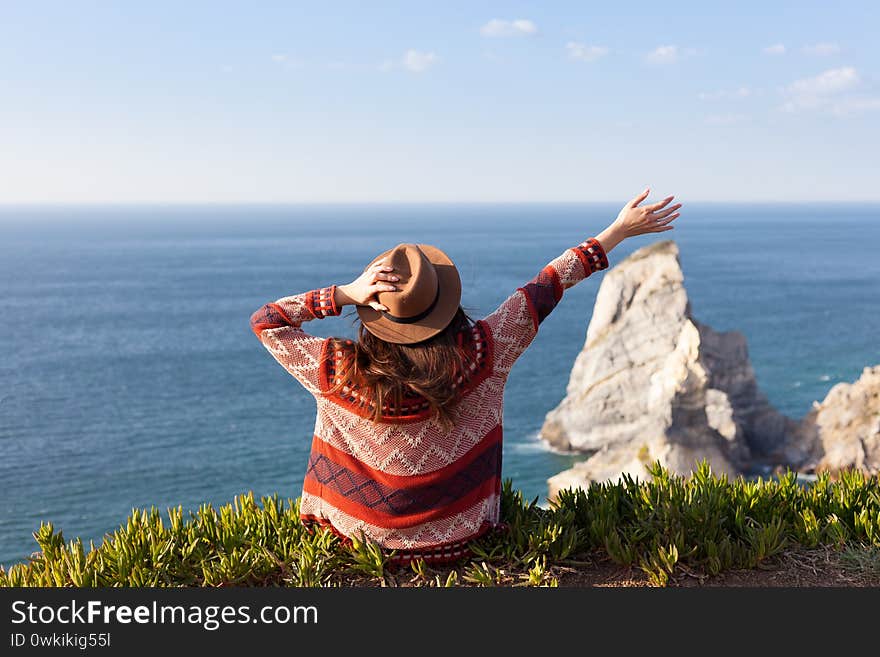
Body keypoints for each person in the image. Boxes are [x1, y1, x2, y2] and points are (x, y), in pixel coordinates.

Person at [250, 188, 681, 564]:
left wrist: (345, 293)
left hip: (353, 539)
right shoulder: (486, 352)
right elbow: (547, 285)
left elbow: (266, 321)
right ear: (445, 305)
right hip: (460, 540)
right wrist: (619, 230)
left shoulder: (337, 370)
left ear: (373, 313)